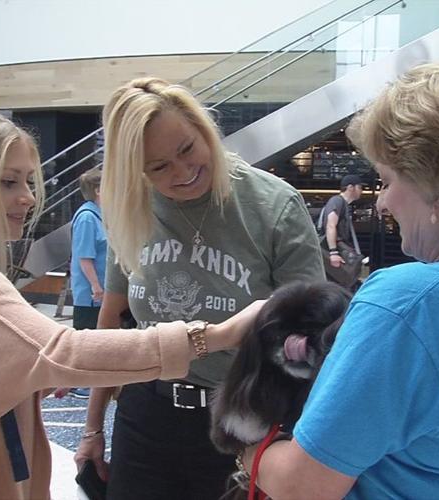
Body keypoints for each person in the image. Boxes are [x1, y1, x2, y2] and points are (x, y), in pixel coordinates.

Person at [0, 83, 261, 499]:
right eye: (8, 182)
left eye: (29, 181)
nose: (28, 197)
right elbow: (65, 352)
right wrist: (218, 335)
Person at [237, 59, 439, 499]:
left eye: (387, 180)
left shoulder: (407, 302)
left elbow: (304, 485)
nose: (384, 202)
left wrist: (245, 447)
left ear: (434, 183)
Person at [75, 77, 324, 500]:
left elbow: (313, 337)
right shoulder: (132, 207)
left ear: (203, 129)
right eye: (158, 167)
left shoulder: (271, 205)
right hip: (145, 414)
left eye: (187, 148)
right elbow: (111, 324)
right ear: (136, 170)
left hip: (240, 419)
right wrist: (93, 427)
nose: (183, 172)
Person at [67, 168, 108, 400]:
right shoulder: (86, 218)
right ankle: (79, 382)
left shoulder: (99, 216)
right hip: (91, 294)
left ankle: (89, 380)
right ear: (98, 190)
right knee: (86, 336)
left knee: (97, 337)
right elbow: (85, 257)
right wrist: (96, 286)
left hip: (100, 290)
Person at [318, 174, 365, 290]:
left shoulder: (342, 204)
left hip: (334, 253)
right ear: (350, 187)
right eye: (360, 187)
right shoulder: (337, 201)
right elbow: (330, 225)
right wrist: (333, 253)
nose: (362, 191)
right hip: (332, 253)